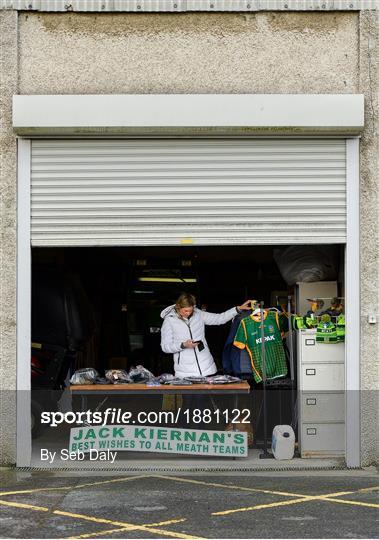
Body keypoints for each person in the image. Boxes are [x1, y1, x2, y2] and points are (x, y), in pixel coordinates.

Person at [160, 293, 253, 378]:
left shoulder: (198, 314)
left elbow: (219, 319)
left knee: (207, 397)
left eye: (191, 310)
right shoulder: (169, 321)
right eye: (185, 311)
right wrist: (183, 345)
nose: (188, 313)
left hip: (207, 369)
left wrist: (237, 309)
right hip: (185, 373)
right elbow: (165, 347)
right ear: (178, 307)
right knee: (190, 397)